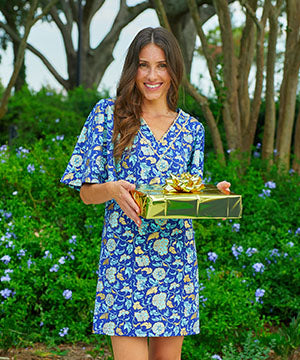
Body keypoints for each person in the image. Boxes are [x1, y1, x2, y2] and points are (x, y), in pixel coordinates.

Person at [61, 27, 230, 360]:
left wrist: (214, 194)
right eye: (144, 65)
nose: (153, 75)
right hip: (123, 264)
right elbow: (85, 193)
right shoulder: (106, 117)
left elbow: (185, 195)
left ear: (174, 70)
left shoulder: (192, 130)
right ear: (132, 69)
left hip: (175, 263)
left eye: (162, 65)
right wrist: (110, 189)